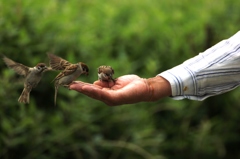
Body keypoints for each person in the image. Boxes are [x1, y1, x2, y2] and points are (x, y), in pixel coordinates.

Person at [69, 31, 240, 106]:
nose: (106, 77)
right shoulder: (102, 72)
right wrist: (153, 86)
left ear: (110, 74)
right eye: (104, 76)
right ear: (102, 74)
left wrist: (152, 87)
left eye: (108, 76)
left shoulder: (109, 73)